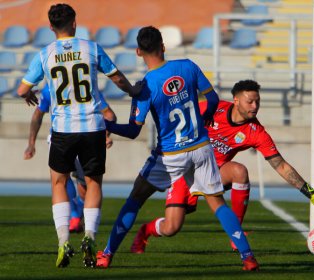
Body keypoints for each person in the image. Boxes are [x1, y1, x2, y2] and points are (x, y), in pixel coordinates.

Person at [96, 26, 259, 271]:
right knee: (217, 203)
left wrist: (107, 125)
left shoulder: (145, 87)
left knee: (136, 198)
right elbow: (212, 99)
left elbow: (133, 131)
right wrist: (207, 118)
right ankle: (247, 257)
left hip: (170, 155)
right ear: (163, 46)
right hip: (201, 148)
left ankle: (107, 255)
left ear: (138, 52)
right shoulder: (188, 66)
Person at [129, 79, 314, 253]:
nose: (254, 106)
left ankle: (235, 233)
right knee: (171, 226)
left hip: (214, 173)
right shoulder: (213, 108)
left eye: (257, 102)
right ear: (236, 100)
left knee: (239, 171)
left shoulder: (256, 131)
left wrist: (311, 193)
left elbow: (280, 165)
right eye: (250, 102)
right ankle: (145, 231)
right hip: (186, 172)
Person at [17, 3, 141, 268]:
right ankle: (89, 236)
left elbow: (21, 90)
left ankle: (63, 241)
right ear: (75, 23)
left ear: (50, 27)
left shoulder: (45, 54)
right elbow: (117, 78)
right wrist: (132, 91)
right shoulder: (91, 48)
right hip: (93, 126)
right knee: (94, 184)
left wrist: (28, 93)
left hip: (63, 129)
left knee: (59, 184)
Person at [23, 84, 116, 233]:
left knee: (85, 185)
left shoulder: (88, 85)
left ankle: (80, 216)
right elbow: (37, 114)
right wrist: (31, 143)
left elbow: (109, 115)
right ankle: (74, 217)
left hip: (84, 137)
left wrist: (104, 135)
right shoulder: (50, 89)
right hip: (59, 137)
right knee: (61, 178)